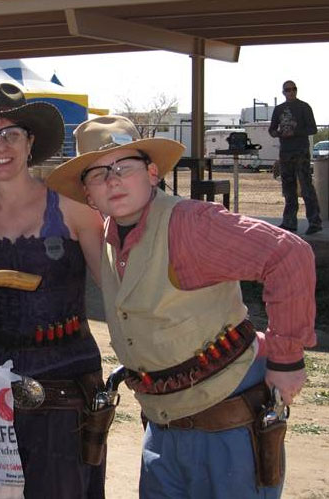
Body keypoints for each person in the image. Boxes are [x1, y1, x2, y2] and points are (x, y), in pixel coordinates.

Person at [46, 115, 317, 499]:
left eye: (126, 167)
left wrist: (287, 361)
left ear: (153, 173)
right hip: (163, 427)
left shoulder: (189, 223)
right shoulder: (109, 239)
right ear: (89, 195)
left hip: (228, 426)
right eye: (98, 174)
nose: (113, 180)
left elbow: (289, 255)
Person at [0, 83, 107, 498]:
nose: (0, 145)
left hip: (66, 377)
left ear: (30, 142)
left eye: (11, 133)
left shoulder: (74, 209)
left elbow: (117, 286)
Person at [268, 80, 322, 235]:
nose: (291, 92)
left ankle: (315, 221)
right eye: (288, 89)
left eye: (293, 89)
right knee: (288, 188)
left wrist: (295, 132)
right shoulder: (278, 110)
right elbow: (272, 128)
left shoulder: (304, 107)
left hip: (300, 151)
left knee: (306, 187)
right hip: (285, 152)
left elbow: (313, 129)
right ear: (283, 92)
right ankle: (289, 222)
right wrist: (276, 133)